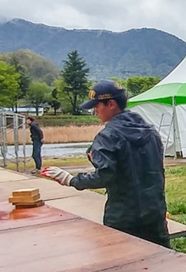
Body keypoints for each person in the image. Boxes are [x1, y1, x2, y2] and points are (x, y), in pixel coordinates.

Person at [41, 81, 170, 247]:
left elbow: (104, 176)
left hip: (123, 218)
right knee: (161, 265)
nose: (95, 111)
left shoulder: (107, 136)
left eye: (97, 106)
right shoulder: (151, 132)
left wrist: (71, 180)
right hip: (155, 214)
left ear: (111, 104)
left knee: (121, 269)